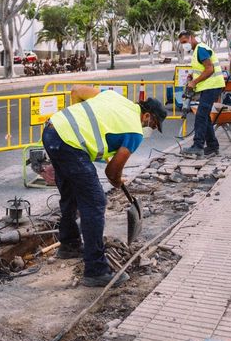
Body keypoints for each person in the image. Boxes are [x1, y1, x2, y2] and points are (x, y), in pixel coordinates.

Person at [41, 86, 167, 288]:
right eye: (153, 124)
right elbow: (111, 173)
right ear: (146, 116)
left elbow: (76, 91)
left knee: (70, 192)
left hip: (52, 130)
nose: (150, 127)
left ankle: (69, 245)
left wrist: (77, 129)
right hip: (69, 144)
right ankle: (96, 270)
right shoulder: (135, 132)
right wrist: (117, 181)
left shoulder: (113, 97)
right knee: (95, 201)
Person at [178, 30, 226, 158]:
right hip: (209, 86)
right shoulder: (197, 51)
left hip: (212, 85)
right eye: (181, 43)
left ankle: (198, 146)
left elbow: (210, 69)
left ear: (192, 38)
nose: (184, 45)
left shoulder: (201, 49)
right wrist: (192, 76)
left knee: (200, 115)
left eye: (185, 42)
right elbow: (202, 69)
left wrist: (194, 81)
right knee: (204, 116)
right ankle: (212, 146)